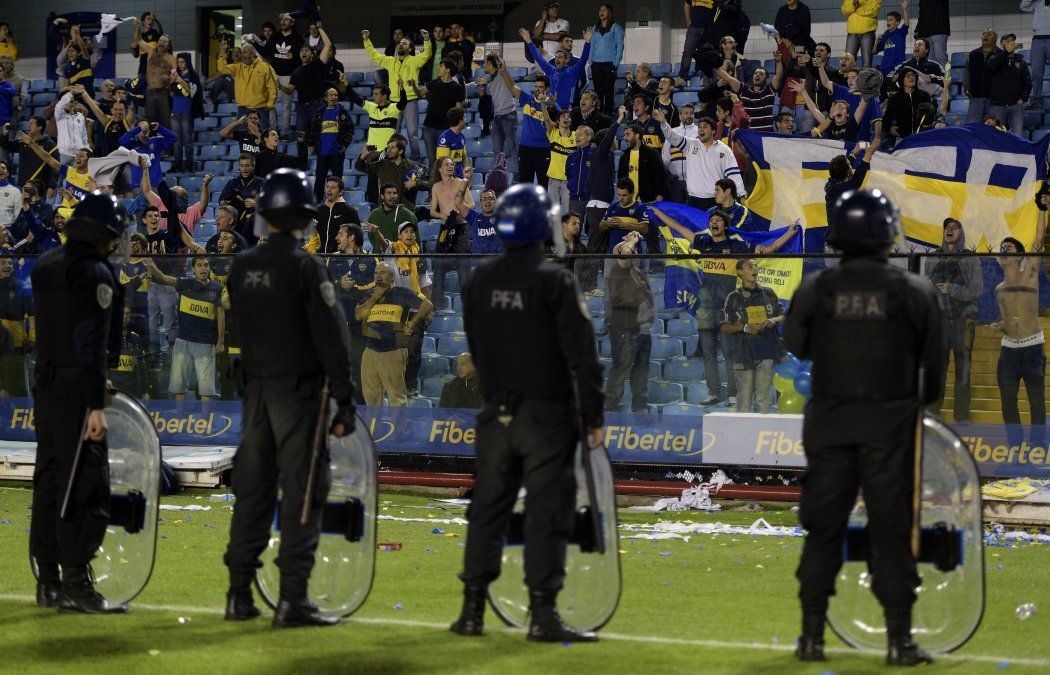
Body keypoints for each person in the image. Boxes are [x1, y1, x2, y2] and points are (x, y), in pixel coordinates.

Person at [783, 189, 942, 667]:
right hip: (890, 427)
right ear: (888, 233)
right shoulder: (916, 292)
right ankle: (900, 642)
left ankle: (811, 638)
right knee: (891, 530)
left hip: (829, 424)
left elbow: (796, 344)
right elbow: (933, 376)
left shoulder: (816, 288)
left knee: (823, 529)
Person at [450, 183, 604, 643]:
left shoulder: (480, 280)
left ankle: (471, 611)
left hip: (496, 412)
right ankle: (542, 615)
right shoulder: (556, 281)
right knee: (546, 512)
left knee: (487, 510)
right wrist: (593, 417)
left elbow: (476, 345)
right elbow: (583, 357)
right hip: (547, 416)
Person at [222, 168, 358, 628]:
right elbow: (331, 340)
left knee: (252, 491)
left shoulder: (241, 266)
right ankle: (292, 599)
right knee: (303, 491)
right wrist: (344, 399)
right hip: (299, 396)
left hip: (255, 393)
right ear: (303, 215)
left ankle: (238, 594)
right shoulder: (306, 267)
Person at [29, 192, 129, 614]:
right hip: (77, 390)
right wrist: (95, 405)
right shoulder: (96, 274)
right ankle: (76, 583)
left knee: (50, 479)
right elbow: (90, 345)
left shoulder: (45, 264)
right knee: (85, 482)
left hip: (47, 383)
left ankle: (48, 581)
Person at [654, 207, 798, 406]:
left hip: (727, 312)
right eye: (712, 220)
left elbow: (768, 250)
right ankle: (713, 393)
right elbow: (678, 227)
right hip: (706, 311)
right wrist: (658, 213)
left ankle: (732, 394)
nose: (714, 223)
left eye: (718, 220)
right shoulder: (703, 243)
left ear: (725, 226)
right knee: (709, 355)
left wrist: (789, 232)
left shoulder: (736, 246)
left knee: (730, 356)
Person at [993, 219, 1048, 449]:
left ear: (1019, 255)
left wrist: (1042, 208)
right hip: (1009, 350)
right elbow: (1007, 321)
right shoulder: (999, 289)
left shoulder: (1030, 275)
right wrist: (1001, 325)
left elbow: (1038, 240)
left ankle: (1038, 445)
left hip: (1032, 347)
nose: (1004, 249)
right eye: (1002, 247)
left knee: (1036, 401)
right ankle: (1015, 445)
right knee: (1008, 402)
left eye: (1009, 247)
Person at [923, 218, 982, 423]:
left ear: (961, 232)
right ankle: (933, 416)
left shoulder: (970, 258)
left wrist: (952, 289)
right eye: (947, 227)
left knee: (963, 371)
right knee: (937, 371)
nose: (949, 229)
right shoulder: (933, 258)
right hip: (939, 322)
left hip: (963, 321)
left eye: (954, 227)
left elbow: (976, 291)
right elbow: (926, 290)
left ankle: (962, 417)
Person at [355, 261, 433, 406]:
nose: (378, 276)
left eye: (382, 273)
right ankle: (373, 422)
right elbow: (358, 315)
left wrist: (411, 323)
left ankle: (398, 423)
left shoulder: (403, 293)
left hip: (393, 350)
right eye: (376, 273)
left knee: (396, 397)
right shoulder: (369, 294)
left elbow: (428, 305)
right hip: (370, 350)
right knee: (370, 396)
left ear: (392, 277)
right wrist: (375, 296)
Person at [720, 258, 784, 413]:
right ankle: (743, 429)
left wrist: (773, 320)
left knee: (763, 401)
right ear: (740, 272)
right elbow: (724, 326)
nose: (755, 269)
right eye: (750, 266)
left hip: (766, 352)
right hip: (743, 354)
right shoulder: (733, 297)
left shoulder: (769, 293)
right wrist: (745, 327)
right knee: (744, 401)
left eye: (755, 266)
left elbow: (785, 315)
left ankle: (762, 428)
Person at [362, 27, 431, 159]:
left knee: (413, 134)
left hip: (410, 101)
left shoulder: (415, 61)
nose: (401, 44)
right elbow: (374, 55)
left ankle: (416, 161)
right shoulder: (390, 61)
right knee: (393, 134)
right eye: (400, 43)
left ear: (410, 49)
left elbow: (427, 54)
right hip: (394, 103)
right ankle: (392, 159)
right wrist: (366, 40)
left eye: (404, 43)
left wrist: (426, 39)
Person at [656, 110, 744, 210]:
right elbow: (672, 136)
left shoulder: (724, 150)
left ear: (713, 131)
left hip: (716, 200)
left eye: (705, 127)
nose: (701, 129)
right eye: (699, 127)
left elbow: (733, 174)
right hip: (693, 201)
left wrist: (741, 194)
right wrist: (663, 123)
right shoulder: (690, 145)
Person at [605, 233, 654, 413]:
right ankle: (611, 407)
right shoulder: (619, 269)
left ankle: (640, 405)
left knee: (641, 369)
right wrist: (632, 239)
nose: (632, 250)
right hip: (624, 327)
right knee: (622, 367)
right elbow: (624, 253)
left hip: (642, 327)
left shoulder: (636, 271)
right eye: (629, 248)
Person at [498, 66, 552, 186]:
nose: (537, 89)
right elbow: (512, 86)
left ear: (547, 89)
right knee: (524, 185)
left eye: (540, 87)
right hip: (525, 148)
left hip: (543, 149)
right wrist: (505, 72)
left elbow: (553, 129)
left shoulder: (552, 106)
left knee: (544, 185)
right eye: (536, 86)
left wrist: (544, 104)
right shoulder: (527, 99)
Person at [279, 29, 333, 141]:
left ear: (312, 55)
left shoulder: (317, 64)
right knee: (301, 139)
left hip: (316, 106)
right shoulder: (296, 72)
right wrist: (280, 86)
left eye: (307, 50)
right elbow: (289, 90)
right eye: (302, 51)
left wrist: (320, 28)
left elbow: (328, 45)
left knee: (318, 137)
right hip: (302, 108)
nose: (304, 52)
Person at [521, 26, 593, 108]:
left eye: (560, 57)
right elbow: (539, 58)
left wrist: (587, 42)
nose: (557, 59)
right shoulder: (551, 70)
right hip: (552, 108)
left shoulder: (572, 72)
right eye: (556, 57)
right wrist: (529, 41)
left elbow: (583, 59)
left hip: (566, 110)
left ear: (566, 60)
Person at [306, 88, 353, 201]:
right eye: (331, 95)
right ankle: (317, 202)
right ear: (326, 98)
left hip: (337, 152)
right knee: (319, 179)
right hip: (322, 151)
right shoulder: (319, 112)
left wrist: (345, 144)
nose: (334, 97)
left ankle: (338, 201)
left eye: (336, 95)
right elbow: (313, 129)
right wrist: (311, 144)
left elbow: (350, 129)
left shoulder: (343, 112)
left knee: (337, 180)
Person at [419, 58, 466, 165]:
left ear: (448, 70)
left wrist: (457, 127)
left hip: (445, 129)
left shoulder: (457, 88)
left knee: (446, 162)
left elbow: (459, 110)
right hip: (429, 127)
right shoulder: (434, 83)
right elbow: (419, 93)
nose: (438, 69)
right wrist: (412, 85)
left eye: (441, 67)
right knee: (432, 162)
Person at [217, 45, 278, 124]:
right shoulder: (238, 67)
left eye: (245, 52)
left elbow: (273, 86)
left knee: (262, 131)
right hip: (242, 109)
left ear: (252, 54)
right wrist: (223, 51)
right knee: (242, 131)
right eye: (241, 53)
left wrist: (271, 103)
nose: (242, 55)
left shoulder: (265, 67)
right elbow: (222, 69)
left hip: (260, 108)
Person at [986, 34, 1032, 136]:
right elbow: (991, 66)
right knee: (995, 135)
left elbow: (1027, 82)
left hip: (1016, 106)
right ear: (1001, 44)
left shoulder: (1021, 61)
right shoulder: (994, 57)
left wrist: (1022, 99)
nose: (1011, 43)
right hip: (997, 106)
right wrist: (1006, 52)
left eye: (1012, 41)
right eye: (1007, 41)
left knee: (1017, 135)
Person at [131, 21, 175, 126]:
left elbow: (175, 75)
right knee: (150, 123)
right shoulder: (151, 51)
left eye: (165, 42)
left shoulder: (171, 58)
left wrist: (169, 78)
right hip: (150, 92)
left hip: (163, 93)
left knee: (165, 122)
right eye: (160, 40)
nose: (161, 42)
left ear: (169, 46)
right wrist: (137, 27)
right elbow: (139, 40)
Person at [268, 13, 305, 136]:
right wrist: (253, 41)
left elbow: (302, 59)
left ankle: (284, 133)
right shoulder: (275, 36)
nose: (283, 22)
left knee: (286, 107)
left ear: (292, 23)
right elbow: (265, 51)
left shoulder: (298, 38)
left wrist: (293, 58)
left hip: (288, 76)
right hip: (274, 75)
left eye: (286, 20)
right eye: (282, 20)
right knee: (270, 104)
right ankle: (273, 131)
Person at [219, 154, 265, 245]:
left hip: (254, 226)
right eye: (242, 166)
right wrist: (226, 203)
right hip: (235, 225)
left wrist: (256, 204)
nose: (244, 169)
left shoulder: (262, 183)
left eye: (247, 166)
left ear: (253, 166)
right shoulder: (232, 183)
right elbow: (221, 202)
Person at [4, 118, 57, 190]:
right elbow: (6, 146)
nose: (28, 126)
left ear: (39, 127)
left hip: (40, 186)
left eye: (31, 123)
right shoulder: (23, 142)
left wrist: (52, 186)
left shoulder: (49, 144)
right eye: (29, 123)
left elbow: (54, 167)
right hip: (23, 185)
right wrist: (5, 134)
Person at [590, 4, 624, 116]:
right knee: (597, 92)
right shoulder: (595, 29)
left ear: (609, 12)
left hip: (610, 64)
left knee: (609, 92)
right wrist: (590, 61)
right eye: (600, 10)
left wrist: (616, 63)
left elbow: (620, 46)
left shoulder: (616, 28)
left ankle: (608, 116)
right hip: (596, 64)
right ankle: (598, 115)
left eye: (604, 10)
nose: (601, 12)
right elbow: (592, 45)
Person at [964, 29, 1000, 124]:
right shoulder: (973, 54)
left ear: (995, 39)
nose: (985, 36)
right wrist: (966, 86)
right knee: (972, 128)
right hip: (976, 98)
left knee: (994, 129)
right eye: (983, 34)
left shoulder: (1000, 55)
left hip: (995, 101)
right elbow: (967, 71)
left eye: (989, 34)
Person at [545, 107, 576, 215]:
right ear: (558, 121)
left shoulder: (576, 135)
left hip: (569, 181)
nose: (566, 118)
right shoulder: (553, 133)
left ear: (571, 121)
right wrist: (543, 103)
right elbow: (546, 119)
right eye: (563, 116)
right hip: (553, 179)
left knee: (569, 212)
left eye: (569, 116)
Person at [875, 1, 911, 78]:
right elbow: (874, 52)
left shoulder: (900, 33)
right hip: (884, 70)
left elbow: (907, 23)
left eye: (891, 20)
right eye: (887, 20)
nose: (888, 22)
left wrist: (905, 8)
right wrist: (876, 43)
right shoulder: (885, 36)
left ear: (897, 22)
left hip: (897, 70)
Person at [842, 0, 881, 69]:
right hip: (852, 32)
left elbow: (874, 11)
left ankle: (866, 76)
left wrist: (857, 9)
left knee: (867, 63)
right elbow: (844, 11)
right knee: (848, 61)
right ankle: (848, 76)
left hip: (868, 32)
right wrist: (853, 5)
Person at [915, 0, 950, 67]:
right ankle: (932, 73)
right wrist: (917, 29)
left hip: (939, 29)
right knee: (929, 59)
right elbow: (922, 14)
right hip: (925, 31)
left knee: (940, 56)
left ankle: (943, 73)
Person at [436, 107, 468, 178]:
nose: (465, 120)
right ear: (460, 121)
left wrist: (466, 176)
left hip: (460, 178)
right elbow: (442, 163)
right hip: (449, 179)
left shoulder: (462, 136)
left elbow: (464, 157)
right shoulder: (445, 138)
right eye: (464, 118)